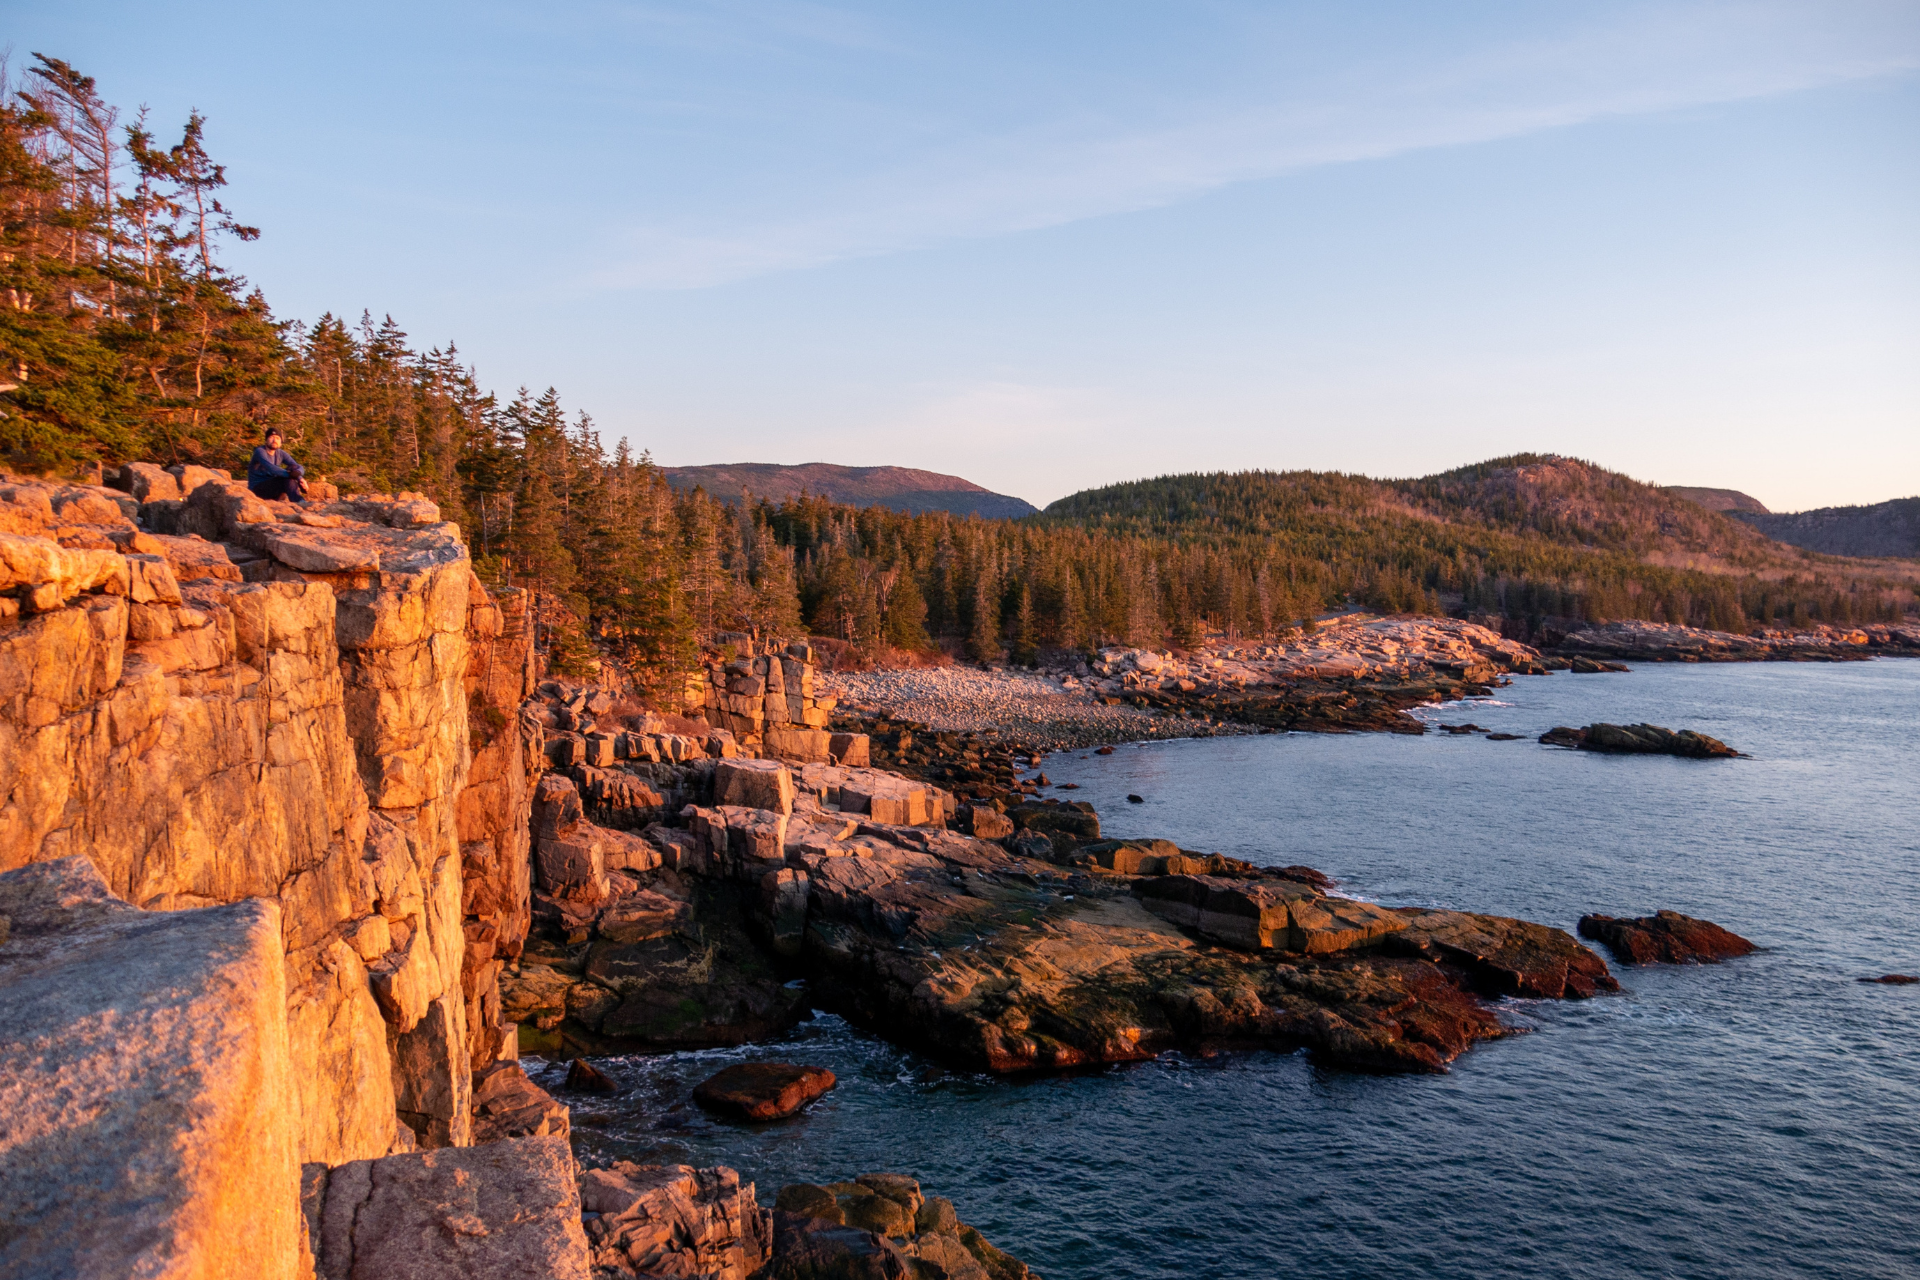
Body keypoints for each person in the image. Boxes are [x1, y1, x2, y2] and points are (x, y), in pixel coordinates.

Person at [247, 428, 308, 502]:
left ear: (281, 442)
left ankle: (300, 501)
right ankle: (299, 501)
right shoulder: (260, 451)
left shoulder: (280, 453)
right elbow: (271, 468)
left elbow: (298, 466)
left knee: (293, 467)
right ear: (266, 440)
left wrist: (300, 478)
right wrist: (292, 475)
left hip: (274, 489)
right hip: (258, 490)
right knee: (287, 478)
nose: (274, 440)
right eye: (271, 437)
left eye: (277, 438)